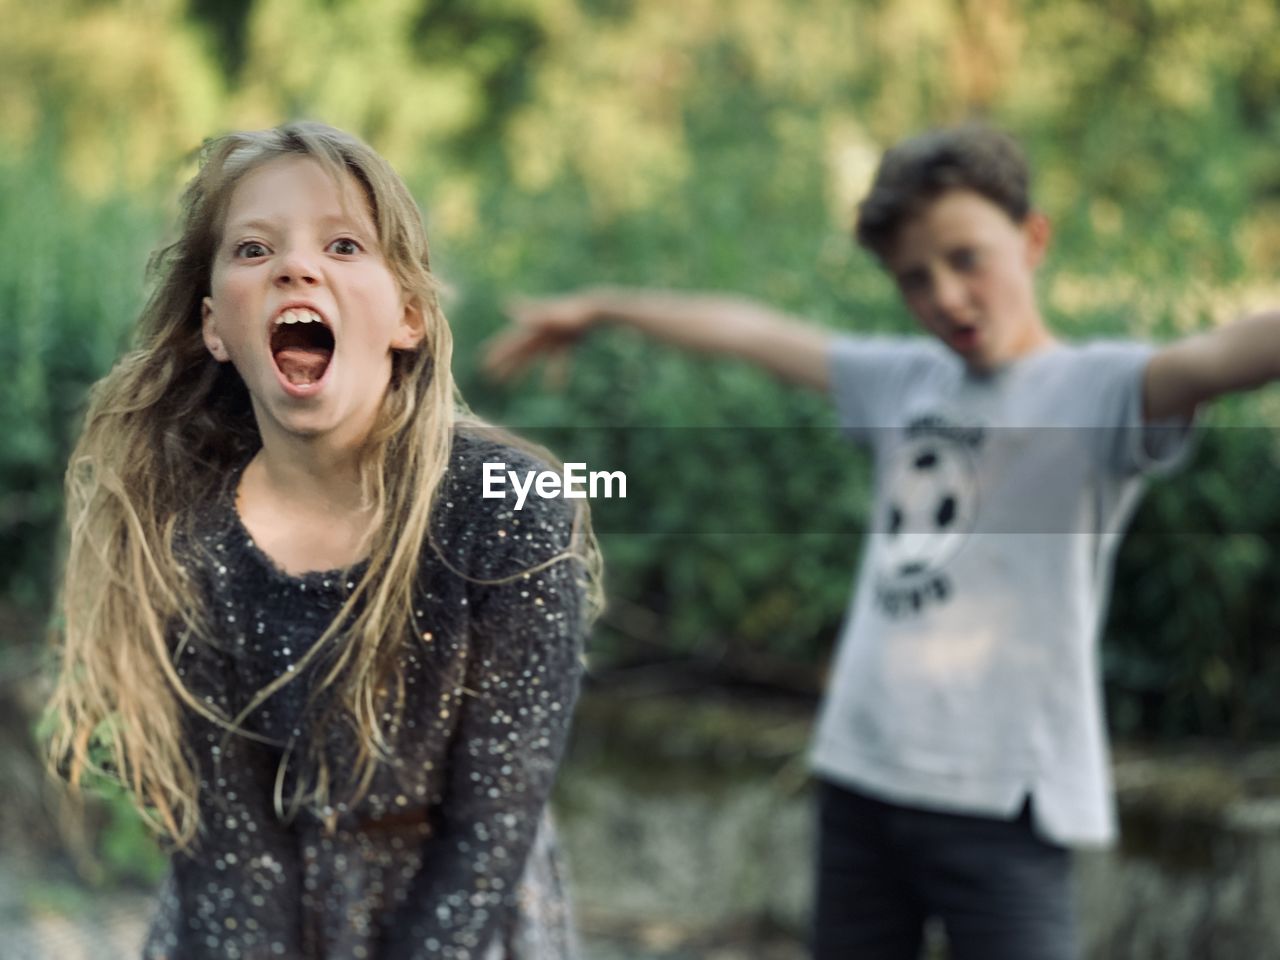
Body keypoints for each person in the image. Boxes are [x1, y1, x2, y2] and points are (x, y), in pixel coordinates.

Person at [483, 124, 1280, 959]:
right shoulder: (905, 381)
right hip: (862, 775)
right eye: (915, 280)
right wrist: (605, 308)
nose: (945, 296)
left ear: (1032, 238)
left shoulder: (1096, 390)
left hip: (1003, 800)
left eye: (966, 258)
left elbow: (1223, 356)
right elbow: (750, 332)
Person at [47, 121, 599, 960]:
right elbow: (227, 847)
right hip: (248, 920)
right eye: (253, 249)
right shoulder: (181, 539)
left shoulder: (510, 508)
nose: (296, 268)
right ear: (215, 330)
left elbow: (491, 832)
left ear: (408, 314)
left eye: (343, 245)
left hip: (462, 919)